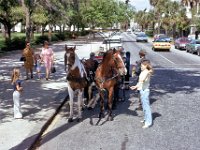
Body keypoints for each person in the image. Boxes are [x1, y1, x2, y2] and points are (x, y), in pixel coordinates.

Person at [130, 60, 153, 128]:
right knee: (144, 107)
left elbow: (142, 80)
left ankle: (148, 122)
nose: (141, 67)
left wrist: (148, 72)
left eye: (142, 66)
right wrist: (136, 86)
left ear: (146, 66)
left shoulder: (147, 73)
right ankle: (146, 119)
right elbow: (140, 82)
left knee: (147, 107)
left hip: (145, 91)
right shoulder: (143, 72)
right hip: (141, 90)